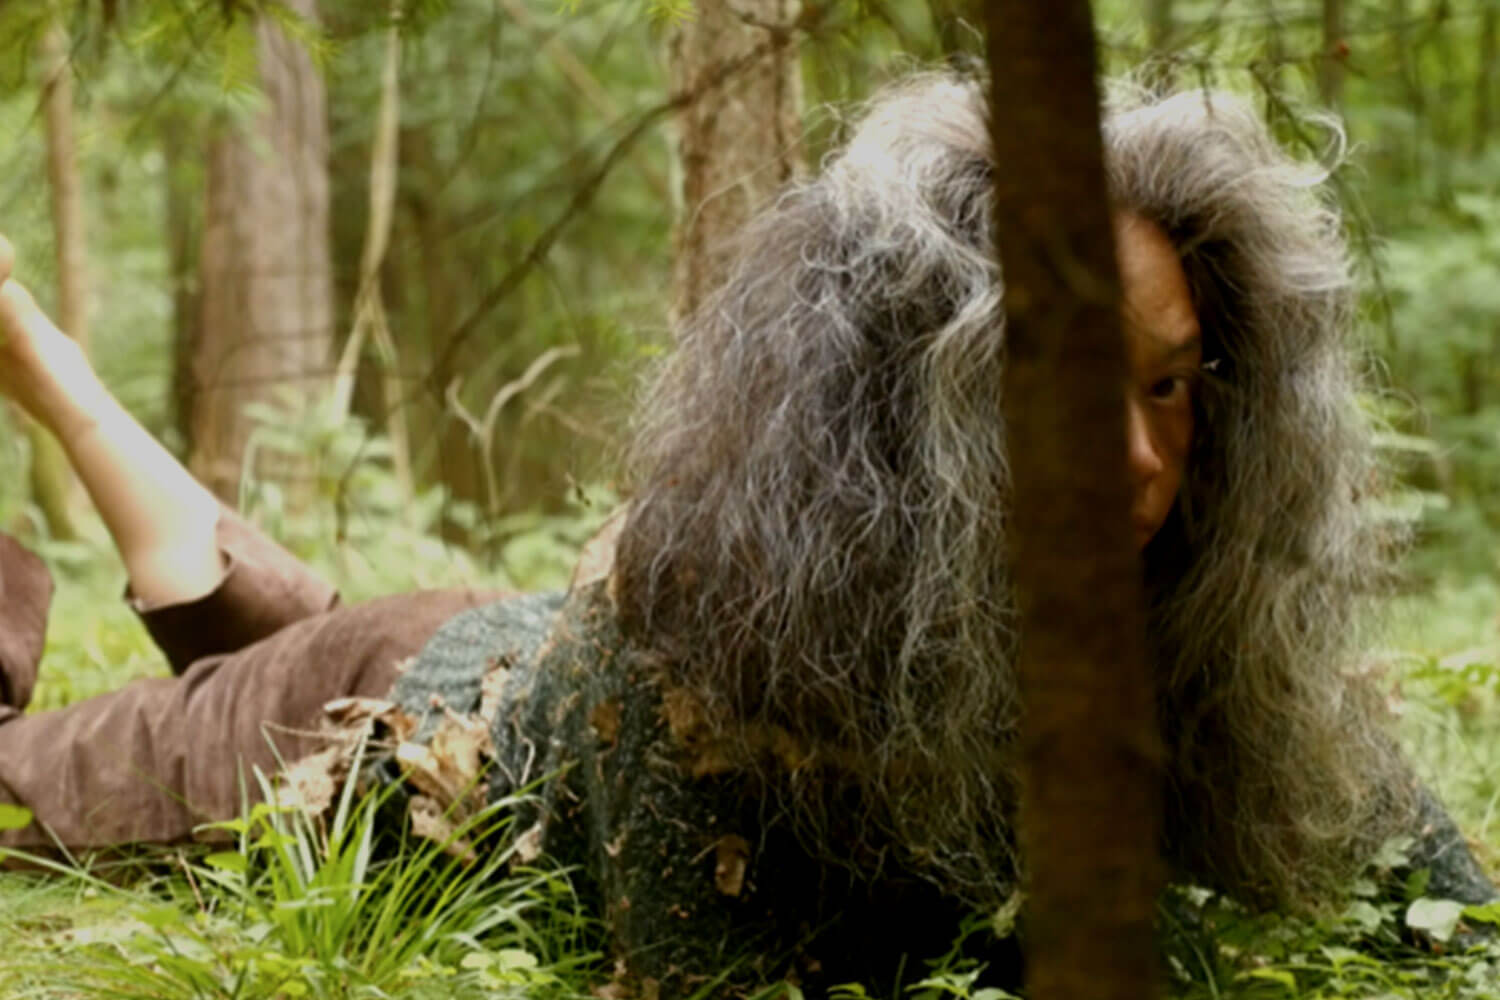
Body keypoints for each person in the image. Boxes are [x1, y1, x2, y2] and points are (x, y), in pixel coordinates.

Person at [0, 72, 1493, 996]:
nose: (1135, 460)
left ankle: (41, 362)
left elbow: (1442, 905)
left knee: (274, 604)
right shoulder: (710, 685)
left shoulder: (1201, 626)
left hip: (488, 637)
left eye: (1170, 385)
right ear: (910, 424)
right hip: (367, 728)